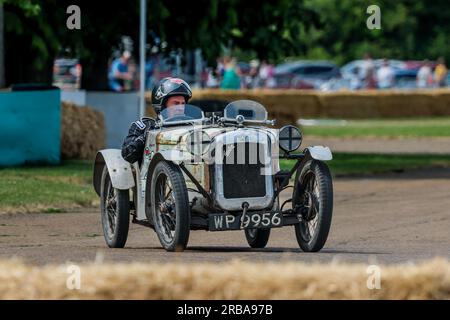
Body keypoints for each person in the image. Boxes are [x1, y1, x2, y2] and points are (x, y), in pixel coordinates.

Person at [121, 77, 192, 164]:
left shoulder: (192, 126)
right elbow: (127, 155)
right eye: (176, 103)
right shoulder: (143, 126)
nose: (181, 108)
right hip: (152, 176)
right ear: (162, 105)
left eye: (183, 104)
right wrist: (146, 136)